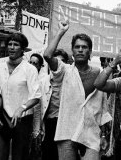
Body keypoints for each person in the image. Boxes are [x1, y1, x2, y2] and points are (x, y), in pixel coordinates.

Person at [43, 20, 111, 160]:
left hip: (91, 132)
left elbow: (103, 107)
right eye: (77, 47)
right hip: (67, 130)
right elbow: (48, 56)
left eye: (84, 47)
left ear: (90, 51)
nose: (80, 50)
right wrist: (61, 32)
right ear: (72, 51)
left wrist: (104, 135)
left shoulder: (99, 73)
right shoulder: (65, 70)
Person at [0, 32, 41, 160]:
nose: (11, 47)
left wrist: (21, 108)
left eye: (15, 45)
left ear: (22, 49)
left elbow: (36, 96)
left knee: (19, 156)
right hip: (3, 118)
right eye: (9, 44)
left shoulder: (29, 69)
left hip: (22, 120)